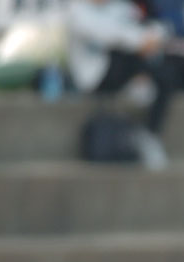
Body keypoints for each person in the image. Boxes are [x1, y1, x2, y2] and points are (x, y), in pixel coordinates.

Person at [67, 0, 175, 170]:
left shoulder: (119, 7)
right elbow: (109, 35)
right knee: (133, 57)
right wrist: (141, 41)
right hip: (95, 78)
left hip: (121, 69)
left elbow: (152, 28)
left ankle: (150, 132)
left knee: (165, 73)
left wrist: (148, 39)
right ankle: (141, 92)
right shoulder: (78, 11)